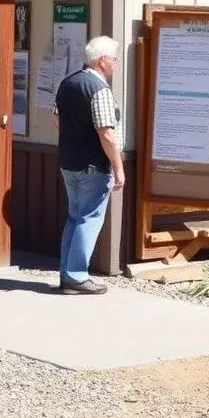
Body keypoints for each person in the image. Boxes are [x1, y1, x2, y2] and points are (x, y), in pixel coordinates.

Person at [55, 35, 125, 294]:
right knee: (89, 218)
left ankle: (67, 274)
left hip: (69, 161)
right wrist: (118, 167)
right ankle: (75, 275)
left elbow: (56, 120)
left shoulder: (68, 83)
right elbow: (106, 132)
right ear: (103, 60)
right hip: (93, 164)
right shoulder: (99, 90)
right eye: (114, 60)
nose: (115, 65)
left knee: (75, 217)